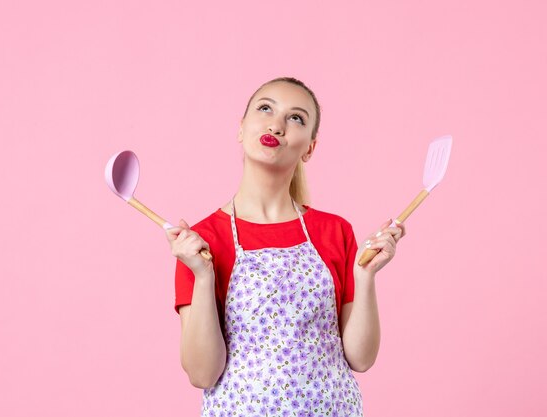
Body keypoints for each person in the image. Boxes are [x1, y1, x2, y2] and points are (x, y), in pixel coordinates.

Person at [166, 76, 406, 416]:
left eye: (296, 118)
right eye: (265, 109)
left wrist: (365, 276)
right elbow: (203, 373)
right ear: (241, 128)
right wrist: (203, 276)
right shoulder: (202, 242)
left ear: (310, 147)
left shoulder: (334, 232)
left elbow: (361, 358)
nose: (276, 124)